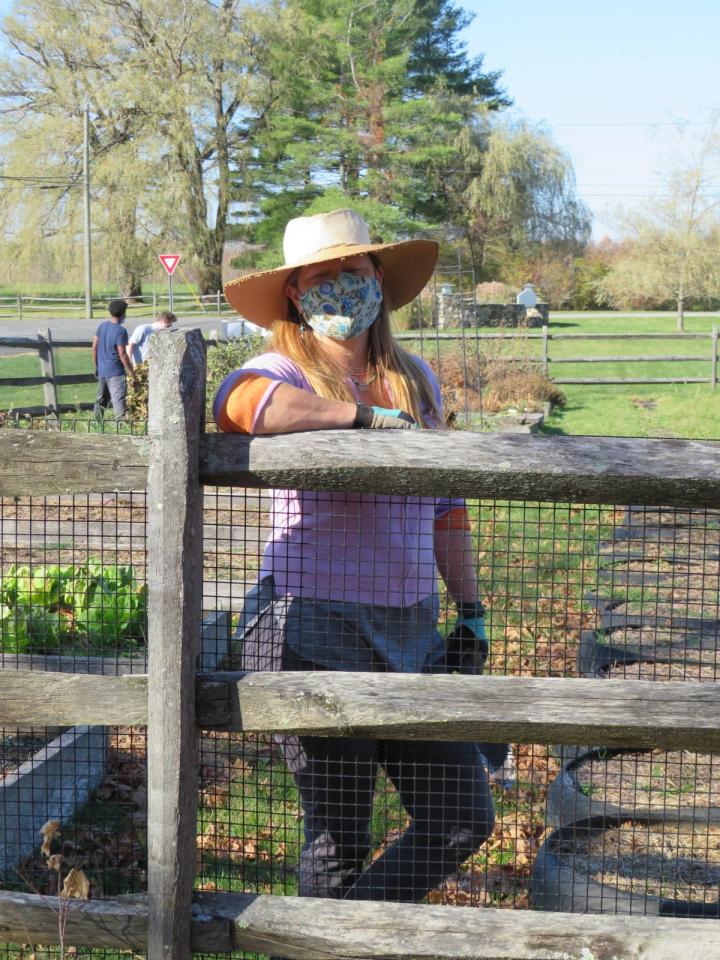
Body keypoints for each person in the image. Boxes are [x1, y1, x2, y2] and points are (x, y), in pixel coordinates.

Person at [214, 208, 496, 912]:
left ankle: (332, 945)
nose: (342, 285)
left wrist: (472, 609)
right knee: (340, 834)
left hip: (410, 631)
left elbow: (446, 505)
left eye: (355, 270)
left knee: (461, 815)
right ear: (294, 295)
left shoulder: (416, 380)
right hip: (312, 627)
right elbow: (238, 404)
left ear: (379, 281)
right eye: (323, 275)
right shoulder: (281, 368)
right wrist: (358, 420)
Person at [92, 299, 135, 421]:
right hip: (115, 372)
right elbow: (122, 354)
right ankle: (120, 426)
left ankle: (95, 423)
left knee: (101, 399)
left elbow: (94, 348)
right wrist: (132, 373)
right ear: (123, 313)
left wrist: (97, 367)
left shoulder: (102, 326)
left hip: (102, 370)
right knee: (118, 401)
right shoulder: (121, 331)